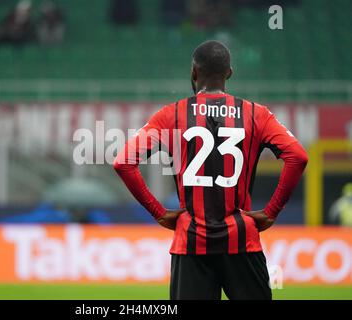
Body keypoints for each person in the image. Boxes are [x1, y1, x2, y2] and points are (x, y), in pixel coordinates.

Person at [113, 40, 308, 300]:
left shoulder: (171, 115)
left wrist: (159, 213)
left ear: (194, 72)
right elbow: (298, 156)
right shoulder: (255, 114)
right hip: (242, 241)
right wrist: (271, 212)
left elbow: (123, 162)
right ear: (229, 73)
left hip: (191, 243)